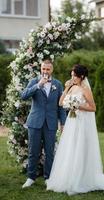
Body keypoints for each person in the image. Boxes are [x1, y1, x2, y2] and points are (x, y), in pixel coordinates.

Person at [46, 64, 104, 195]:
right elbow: (60, 103)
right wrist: (66, 88)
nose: (72, 77)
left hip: (81, 123)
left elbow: (93, 108)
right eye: (71, 75)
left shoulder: (85, 89)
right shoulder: (72, 87)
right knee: (70, 148)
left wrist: (78, 106)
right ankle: (67, 177)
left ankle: (81, 178)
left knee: (80, 148)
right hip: (71, 122)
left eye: (74, 76)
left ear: (81, 76)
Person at [21, 59, 66, 188]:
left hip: (51, 123)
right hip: (35, 122)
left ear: (52, 70)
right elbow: (23, 95)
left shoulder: (57, 84)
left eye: (48, 69)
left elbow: (61, 106)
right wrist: (38, 85)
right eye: (43, 69)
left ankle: (48, 177)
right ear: (41, 69)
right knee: (33, 151)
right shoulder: (34, 82)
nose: (45, 71)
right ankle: (31, 177)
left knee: (50, 152)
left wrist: (63, 123)